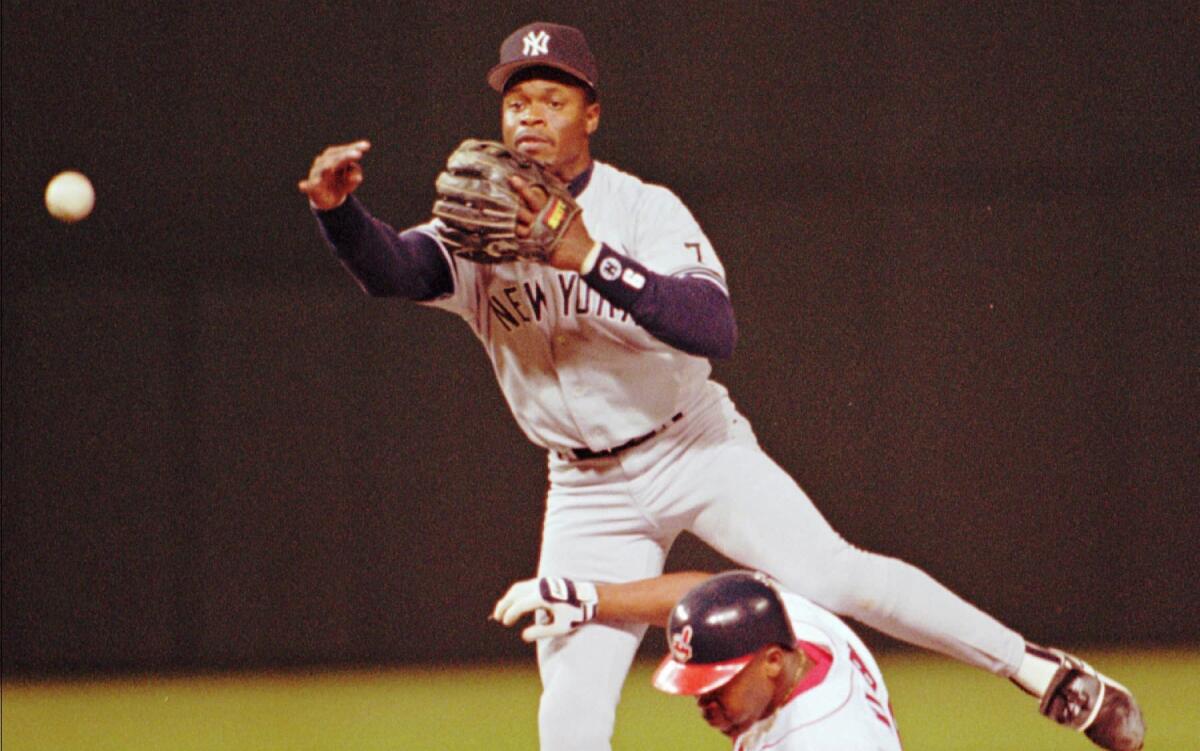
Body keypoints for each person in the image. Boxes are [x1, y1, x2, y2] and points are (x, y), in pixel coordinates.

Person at [299, 20, 1144, 751]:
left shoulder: (642, 210)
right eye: (517, 100)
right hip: (583, 488)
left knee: (835, 577)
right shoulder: (476, 221)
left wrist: (588, 255)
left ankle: (1041, 671)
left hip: (691, 444)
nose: (530, 116)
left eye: (553, 100)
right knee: (571, 711)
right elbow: (397, 269)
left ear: (590, 115)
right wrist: (342, 217)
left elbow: (713, 328)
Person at [494, 570, 903, 750]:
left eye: (716, 685)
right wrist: (594, 600)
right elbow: (708, 594)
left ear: (772, 661)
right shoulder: (798, 626)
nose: (704, 704)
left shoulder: (821, 740)